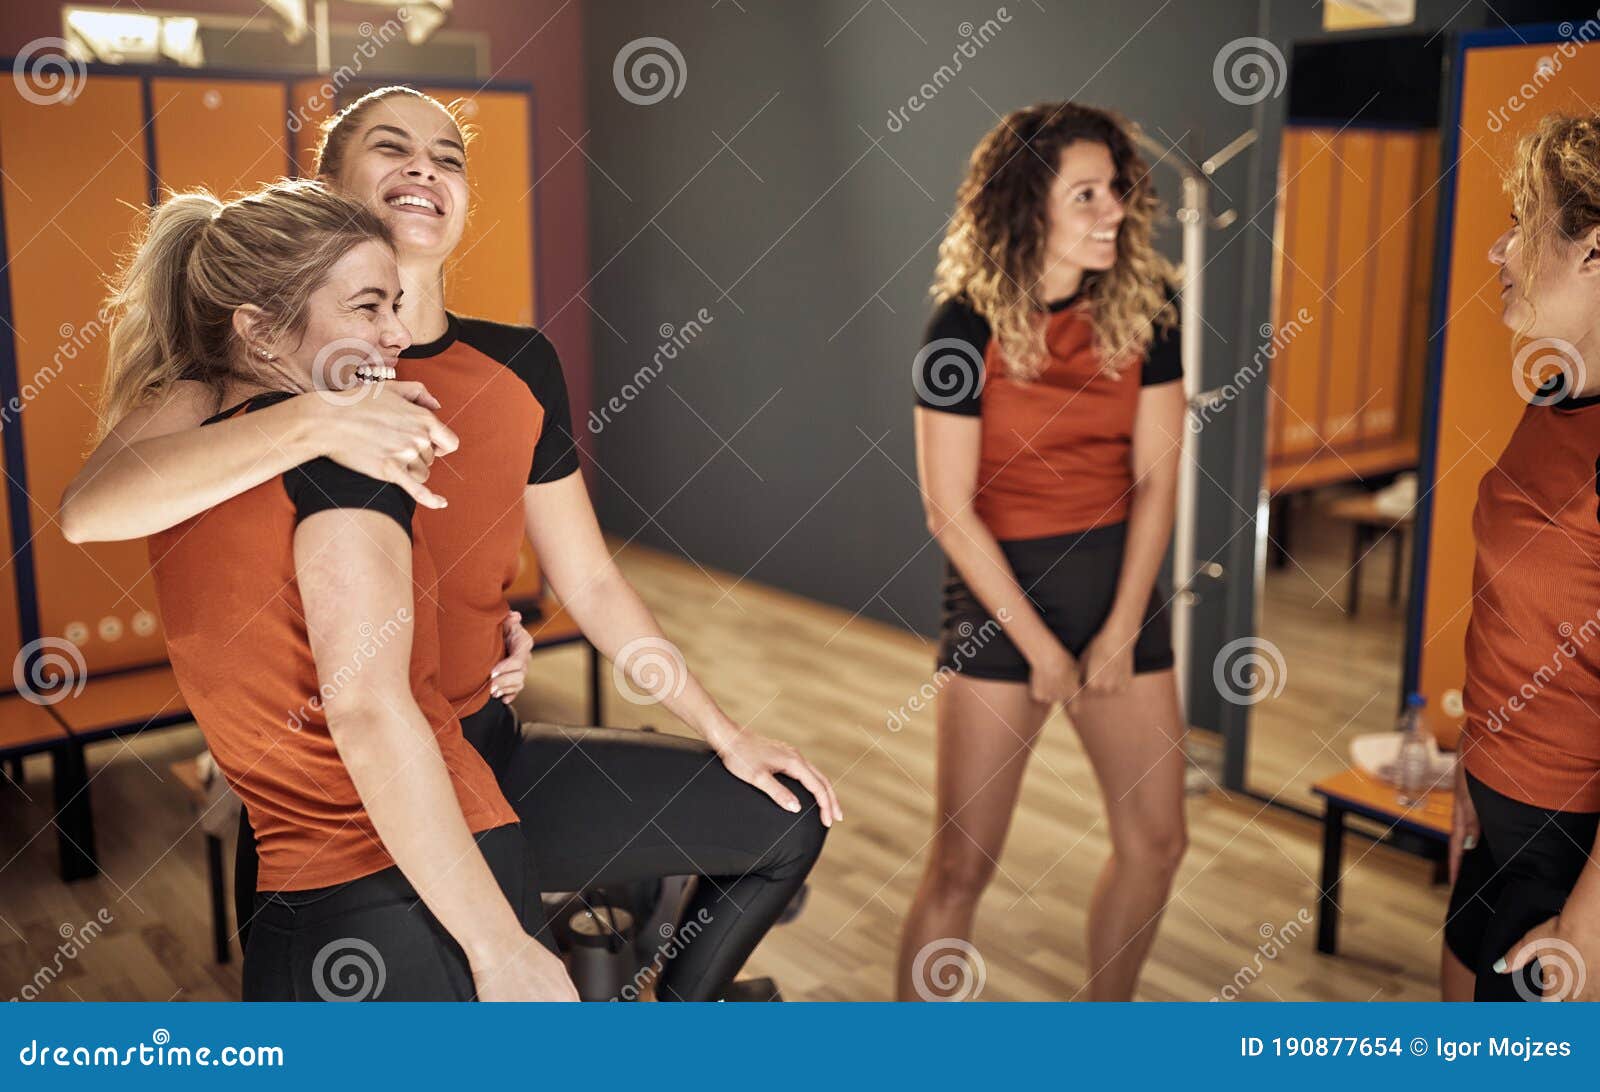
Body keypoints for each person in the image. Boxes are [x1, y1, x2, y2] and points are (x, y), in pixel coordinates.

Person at [61, 86, 837, 1002]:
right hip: (338, 798)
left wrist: (721, 728)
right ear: (330, 191)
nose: (425, 166)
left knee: (781, 823)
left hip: (473, 748)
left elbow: (585, 576)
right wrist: (321, 418)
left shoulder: (509, 368)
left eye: (449, 155)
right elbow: (94, 511)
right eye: (391, 147)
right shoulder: (251, 391)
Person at [102, 177, 577, 1000]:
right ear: (258, 330)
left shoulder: (182, 465)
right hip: (426, 890)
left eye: (395, 303)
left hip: (295, 912)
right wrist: (498, 946)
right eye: (367, 307)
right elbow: (365, 707)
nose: (397, 333)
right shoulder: (342, 453)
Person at [899, 102, 1187, 1001]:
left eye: (1118, 191)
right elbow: (948, 510)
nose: (1114, 211)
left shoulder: (1150, 308)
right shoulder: (960, 325)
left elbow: (1158, 482)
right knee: (960, 869)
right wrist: (1044, 653)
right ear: (1029, 206)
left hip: (1119, 596)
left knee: (1158, 840)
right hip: (999, 606)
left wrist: (1118, 630)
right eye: (1088, 194)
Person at [1442, 111, 1600, 1004]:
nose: (1498, 248)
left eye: (1524, 224)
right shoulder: (1555, 390)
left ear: (1594, 251)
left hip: (1572, 859)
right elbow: (1522, 595)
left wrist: (1586, 928)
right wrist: (1479, 752)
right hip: (1498, 817)